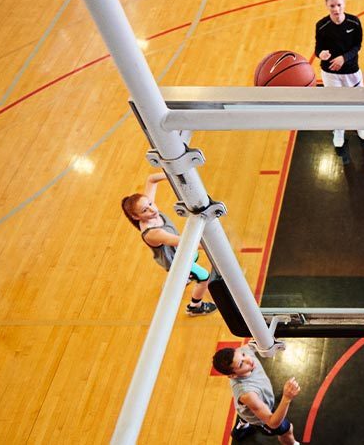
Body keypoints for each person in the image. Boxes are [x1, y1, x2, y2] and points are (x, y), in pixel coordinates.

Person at [121, 173, 217, 316]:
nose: (152, 209)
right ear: (136, 217)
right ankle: (195, 306)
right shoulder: (154, 233)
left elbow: (151, 179)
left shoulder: (149, 210)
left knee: (195, 256)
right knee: (204, 277)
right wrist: (214, 246)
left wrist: (173, 174)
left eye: (150, 203)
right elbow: (186, 243)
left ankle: (184, 278)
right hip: (177, 260)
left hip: (179, 250)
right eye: (145, 210)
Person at [315, 0, 364, 164]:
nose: (336, 9)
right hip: (330, 73)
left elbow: (357, 46)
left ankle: (362, 127)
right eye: (332, 6)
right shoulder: (321, 26)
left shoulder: (354, 23)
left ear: (344, 4)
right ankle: (339, 133)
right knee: (336, 105)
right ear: (327, 6)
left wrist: (343, 59)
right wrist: (320, 55)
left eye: (338, 5)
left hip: (351, 71)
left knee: (359, 102)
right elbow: (318, 49)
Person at [213, 346, 302, 444]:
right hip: (259, 417)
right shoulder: (248, 394)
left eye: (243, 355)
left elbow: (260, 341)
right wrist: (286, 398)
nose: (248, 360)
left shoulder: (245, 350)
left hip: (249, 407)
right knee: (287, 430)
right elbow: (272, 423)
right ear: (232, 376)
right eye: (241, 364)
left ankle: (243, 423)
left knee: (246, 412)